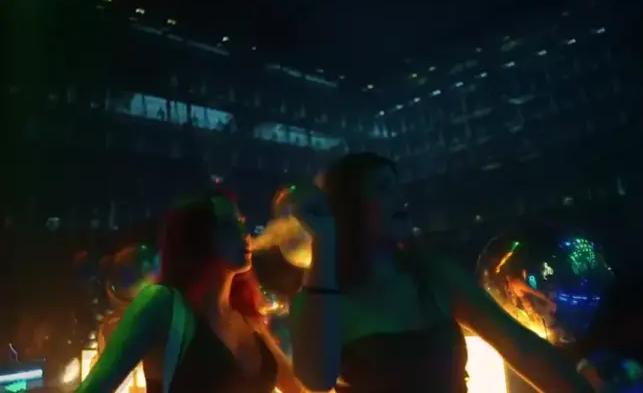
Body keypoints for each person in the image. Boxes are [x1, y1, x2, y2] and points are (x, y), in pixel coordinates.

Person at [289, 152, 594, 393]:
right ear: (348, 206)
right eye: (382, 188)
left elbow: (522, 348)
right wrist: (324, 241)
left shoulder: (431, 274)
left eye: (397, 186)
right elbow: (317, 378)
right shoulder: (320, 296)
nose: (401, 197)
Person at [77, 189, 303, 393]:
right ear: (196, 237)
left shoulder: (249, 318)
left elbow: (300, 388)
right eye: (228, 224)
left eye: (241, 222)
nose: (244, 233)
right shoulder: (163, 305)